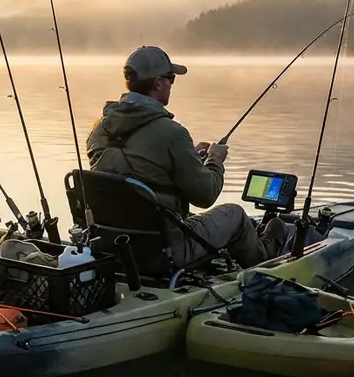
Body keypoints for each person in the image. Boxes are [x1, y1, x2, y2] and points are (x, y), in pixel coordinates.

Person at [85, 45, 287, 269]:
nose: (172, 85)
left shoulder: (99, 130)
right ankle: (266, 262)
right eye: (171, 78)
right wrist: (215, 160)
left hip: (113, 245)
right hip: (163, 251)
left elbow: (139, 172)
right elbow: (205, 195)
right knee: (236, 214)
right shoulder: (172, 133)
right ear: (158, 83)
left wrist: (189, 155)